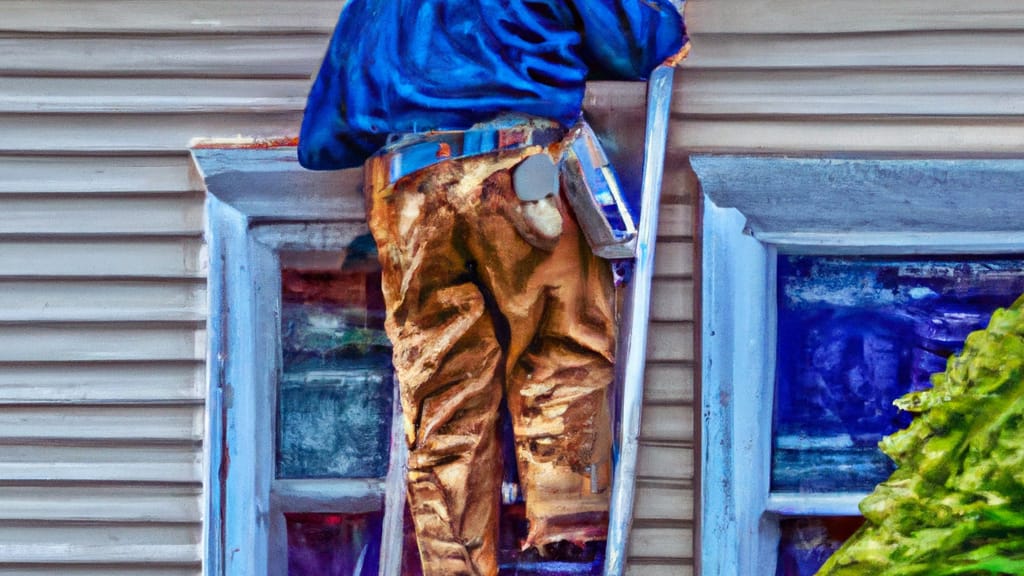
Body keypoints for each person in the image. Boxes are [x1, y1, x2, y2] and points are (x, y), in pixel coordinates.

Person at [299, 2, 687, 574]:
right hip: (520, 173)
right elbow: (642, 41)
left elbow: (321, 143)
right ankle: (566, 537)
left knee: (442, 400)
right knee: (560, 350)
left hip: (410, 192)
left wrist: (417, 79)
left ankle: (454, 564)